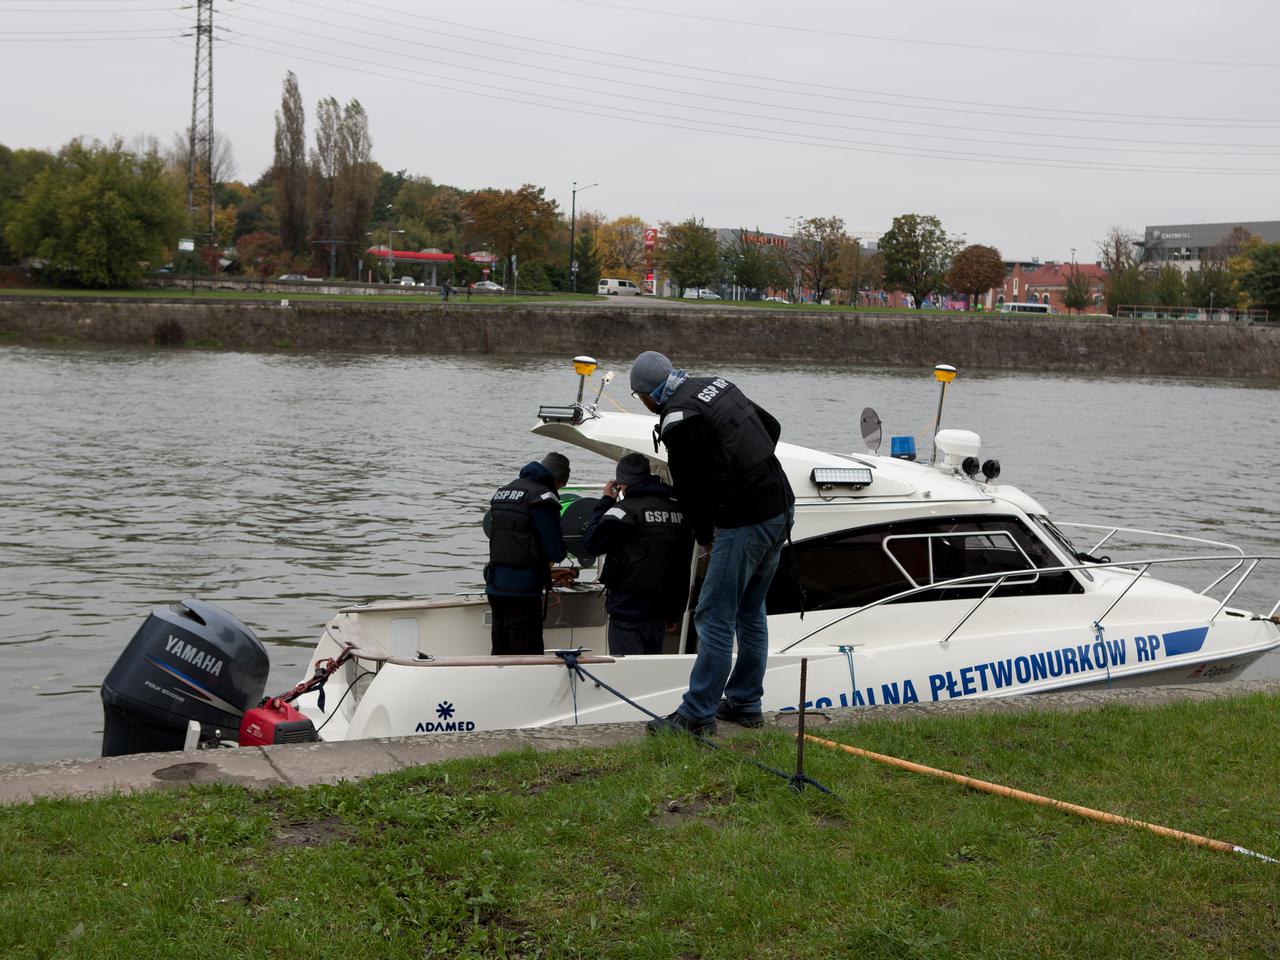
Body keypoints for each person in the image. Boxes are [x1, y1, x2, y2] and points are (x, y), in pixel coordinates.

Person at [629, 351, 794, 735]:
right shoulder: (713, 384)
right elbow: (771, 426)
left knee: (712, 614)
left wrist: (706, 535)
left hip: (747, 520)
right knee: (750, 611)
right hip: (780, 505)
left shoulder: (675, 420)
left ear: (647, 394)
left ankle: (697, 715)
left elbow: (689, 490)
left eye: (640, 398)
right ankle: (745, 702)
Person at [580, 453, 694, 656]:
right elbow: (682, 566)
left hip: (627, 610)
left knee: (627, 672)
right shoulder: (678, 511)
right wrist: (674, 613)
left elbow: (591, 543)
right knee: (649, 671)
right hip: (660, 612)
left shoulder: (622, 512)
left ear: (621, 483)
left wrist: (606, 500)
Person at [484, 452, 571, 656]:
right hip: (523, 590)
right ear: (557, 478)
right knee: (527, 653)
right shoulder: (542, 497)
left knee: (501, 649)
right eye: (561, 485)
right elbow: (556, 551)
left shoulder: (504, 491)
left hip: (495, 585)